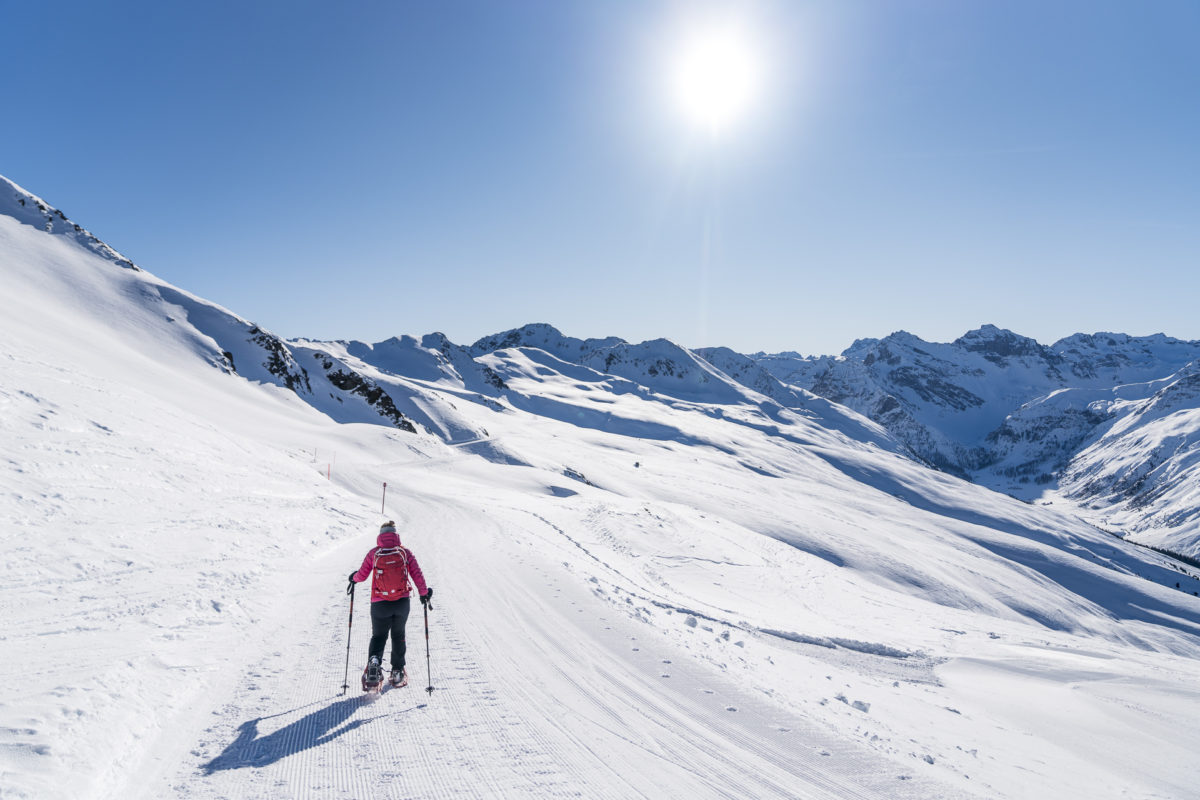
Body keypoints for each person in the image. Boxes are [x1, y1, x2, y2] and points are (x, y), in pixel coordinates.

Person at [348, 520, 431, 689]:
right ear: (395, 535)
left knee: (378, 636)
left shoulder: (374, 553)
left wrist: (353, 578)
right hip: (402, 602)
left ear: (381, 535)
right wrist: (424, 594)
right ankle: (398, 671)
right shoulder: (405, 552)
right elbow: (418, 575)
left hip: (379, 603)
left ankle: (374, 665)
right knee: (398, 635)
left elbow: (362, 575)